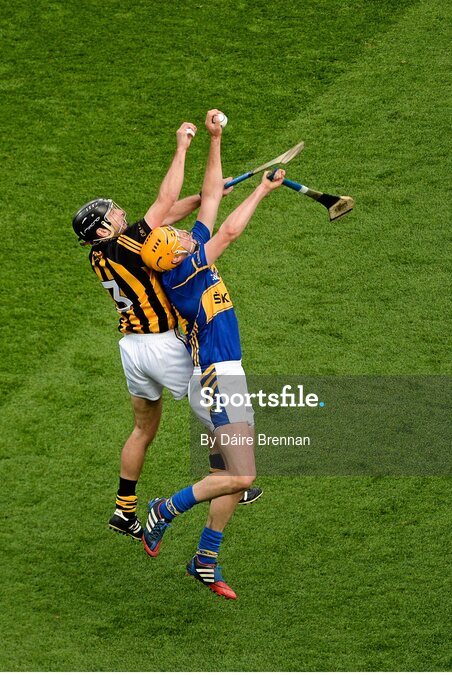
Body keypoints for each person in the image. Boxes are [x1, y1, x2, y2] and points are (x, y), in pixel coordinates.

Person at [71, 112, 261, 541]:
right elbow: (163, 201)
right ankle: (231, 476)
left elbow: (167, 212)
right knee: (219, 409)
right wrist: (183, 146)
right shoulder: (126, 243)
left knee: (143, 428)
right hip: (163, 345)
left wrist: (206, 194)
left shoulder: (101, 253)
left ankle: (124, 508)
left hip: (132, 350)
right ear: (102, 228)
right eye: (114, 214)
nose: (121, 215)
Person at [139, 165, 286, 599]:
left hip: (224, 377)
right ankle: (163, 509)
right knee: (242, 477)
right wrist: (261, 190)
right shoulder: (182, 277)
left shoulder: (184, 256)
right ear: (174, 256)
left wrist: (214, 137)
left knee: (227, 473)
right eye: (180, 239)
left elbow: (210, 200)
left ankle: (205, 559)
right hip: (217, 379)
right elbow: (230, 232)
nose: (187, 234)